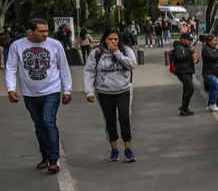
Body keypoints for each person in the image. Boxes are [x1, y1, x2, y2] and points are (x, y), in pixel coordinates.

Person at [6, 19, 72, 173]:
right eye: (41, 31)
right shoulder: (17, 46)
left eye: (47, 31)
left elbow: (63, 68)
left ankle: (53, 159)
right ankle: (45, 155)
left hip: (52, 90)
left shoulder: (55, 45)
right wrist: (11, 88)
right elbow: (10, 68)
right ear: (30, 31)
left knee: (49, 122)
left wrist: (67, 90)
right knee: (39, 126)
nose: (45, 34)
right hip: (30, 93)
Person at [83, 29, 137, 162]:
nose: (113, 42)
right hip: (104, 91)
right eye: (110, 39)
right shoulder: (96, 53)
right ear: (104, 39)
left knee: (125, 117)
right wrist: (88, 91)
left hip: (124, 89)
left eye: (116, 39)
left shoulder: (126, 50)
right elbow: (89, 72)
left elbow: (132, 64)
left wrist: (117, 53)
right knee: (109, 119)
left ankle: (128, 148)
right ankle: (114, 149)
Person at [170, 32, 198, 116]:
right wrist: (189, 51)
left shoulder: (187, 47)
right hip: (182, 71)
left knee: (186, 90)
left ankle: (185, 109)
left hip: (188, 70)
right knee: (190, 88)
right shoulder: (178, 47)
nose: (190, 42)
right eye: (188, 40)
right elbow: (179, 58)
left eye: (191, 40)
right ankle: (183, 107)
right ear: (183, 39)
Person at [200, 34, 218, 112]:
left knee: (213, 88)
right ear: (209, 41)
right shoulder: (206, 49)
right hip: (209, 72)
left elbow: (217, 59)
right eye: (214, 40)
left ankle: (209, 105)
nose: (216, 42)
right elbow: (212, 58)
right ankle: (213, 104)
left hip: (216, 72)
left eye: (216, 40)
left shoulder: (214, 49)